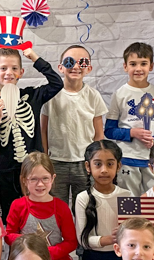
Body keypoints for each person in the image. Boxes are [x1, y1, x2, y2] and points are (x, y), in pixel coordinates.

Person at [0, 47, 63, 222]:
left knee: (39, 212)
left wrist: (35, 57)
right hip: (7, 172)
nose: (9, 73)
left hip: (35, 169)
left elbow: (57, 83)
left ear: (21, 72)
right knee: (10, 217)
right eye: (3, 68)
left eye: (14, 68)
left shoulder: (32, 96)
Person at [6, 152, 82, 260]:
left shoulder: (61, 207)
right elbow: (9, 235)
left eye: (45, 178)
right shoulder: (18, 205)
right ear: (25, 180)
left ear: (53, 178)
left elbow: (71, 242)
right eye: (33, 179)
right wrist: (29, 251)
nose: (40, 184)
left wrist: (48, 254)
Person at [41, 45, 106, 209]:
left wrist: (96, 161)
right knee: (56, 208)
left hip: (84, 162)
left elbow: (99, 134)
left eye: (82, 62)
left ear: (89, 68)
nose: (76, 67)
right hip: (56, 161)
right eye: (69, 62)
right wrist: (44, 158)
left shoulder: (93, 96)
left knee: (85, 208)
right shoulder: (50, 95)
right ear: (60, 67)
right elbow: (43, 130)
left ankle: (83, 236)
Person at [105, 42, 154, 196]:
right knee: (129, 205)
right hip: (127, 159)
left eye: (143, 63)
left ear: (151, 66)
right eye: (133, 64)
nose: (138, 69)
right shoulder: (120, 94)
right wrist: (131, 133)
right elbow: (109, 130)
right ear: (125, 66)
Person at [74, 140, 132, 260]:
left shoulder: (126, 195)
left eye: (110, 164)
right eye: (98, 164)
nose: (104, 170)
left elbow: (133, 232)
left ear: (118, 166)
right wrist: (109, 239)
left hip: (121, 259)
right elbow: (83, 240)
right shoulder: (83, 198)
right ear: (88, 167)